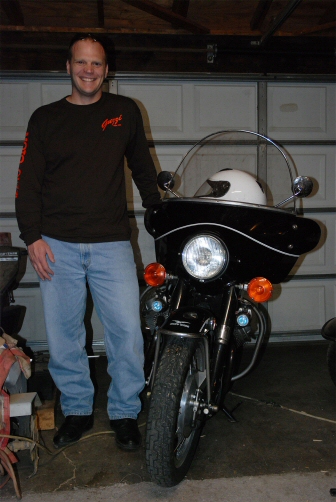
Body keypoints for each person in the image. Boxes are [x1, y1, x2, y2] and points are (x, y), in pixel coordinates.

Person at [15, 33, 161, 451]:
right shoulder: (45, 119)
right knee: (63, 337)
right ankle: (77, 409)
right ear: (68, 67)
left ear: (106, 70)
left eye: (96, 64)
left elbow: (143, 170)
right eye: (81, 62)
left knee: (127, 333)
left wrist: (160, 211)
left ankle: (125, 412)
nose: (88, 70)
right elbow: (28, 184)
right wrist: (32, 238)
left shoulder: (124, 112)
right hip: (56, 244)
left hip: (112, 243)